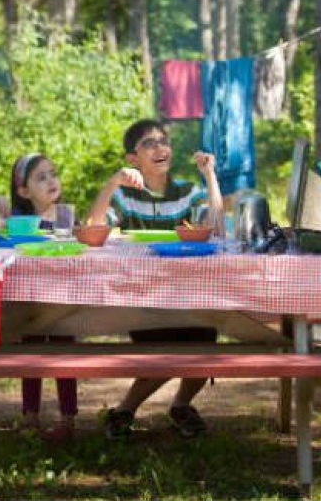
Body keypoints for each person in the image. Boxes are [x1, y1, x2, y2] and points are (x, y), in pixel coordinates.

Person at [87, 119, 224, 439]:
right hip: (143, 299)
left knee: (205, 345)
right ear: (132, 159)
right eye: (149, 143)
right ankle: (124, 410)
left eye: (164, 141)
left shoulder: (187, 193)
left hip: (188, 295)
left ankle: (179, 406)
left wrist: (210, 175)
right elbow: (93, 227)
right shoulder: (124, 198)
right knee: (165, 354)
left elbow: (216, 228)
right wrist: (112, 183)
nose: (160, 147)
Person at [0, 153, 79, 440]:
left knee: (65, 358)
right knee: (30, 358)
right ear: (23, 191)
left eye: (53, 173)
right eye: (41, 177)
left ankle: (68, 419)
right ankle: (30, 416)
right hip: (30, 303)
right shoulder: (17, 222)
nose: (52, 181)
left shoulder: (66, 215)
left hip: (62, 302)